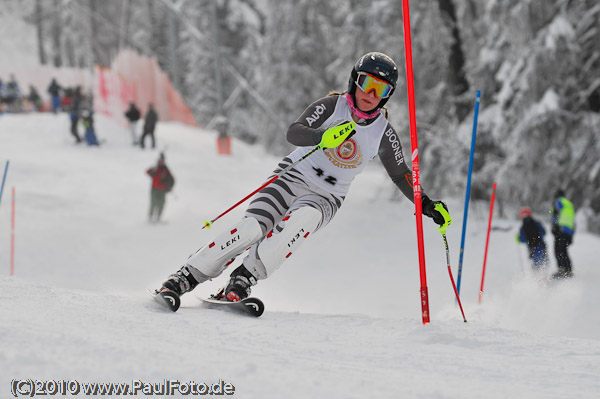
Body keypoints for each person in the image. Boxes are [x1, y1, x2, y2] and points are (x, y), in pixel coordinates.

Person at [155, 52, 451, 305]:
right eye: (367, 83)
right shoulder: (332, 106)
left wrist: (425, 203)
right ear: (355, 81)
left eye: (381, 90)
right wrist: (321, 136)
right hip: (291, 176)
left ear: (388, 95)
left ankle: (243, 280)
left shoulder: (383, 133)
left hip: (327, 196)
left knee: (300, 223)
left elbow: (401, 174)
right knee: (251, 228)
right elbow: (293, 132)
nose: (371, 94)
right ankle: (187, 276)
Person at [550, 189, 575, 279]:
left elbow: (555, 214)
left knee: (558, 250)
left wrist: (554, 226)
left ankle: (562, 270)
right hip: (568, 231)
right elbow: (572, 221)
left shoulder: (559, 201)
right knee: (564, 250)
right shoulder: (569, 204)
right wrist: (571, 234)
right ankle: (568, 270)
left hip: (560, 229)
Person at [146, 152, 174, 223]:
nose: (162, 162)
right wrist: (152, 171)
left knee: (162, 203)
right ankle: (150, 217)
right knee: (153, 203)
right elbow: (147, 171)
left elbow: (172, 180)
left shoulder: (166, 170)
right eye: (161, 160)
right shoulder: (155, 168)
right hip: (154, 189)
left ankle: (158, 217)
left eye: (163, 160)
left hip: (162, 190)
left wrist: (169, 187)